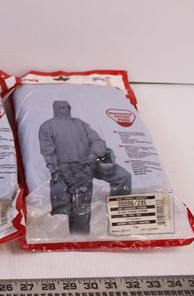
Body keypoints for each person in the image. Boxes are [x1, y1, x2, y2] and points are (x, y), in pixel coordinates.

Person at [39, 100, 132, 234]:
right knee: (80, 204)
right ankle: (79, 237)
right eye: (61, 107)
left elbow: (97, 140)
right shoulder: (47, 126)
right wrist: (57, 169)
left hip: (91, 161)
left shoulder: (80, 123)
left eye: (66, 107)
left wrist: (94, 155)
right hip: (69, 168)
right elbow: (47, 150)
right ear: (55, 109)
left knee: (123, 176)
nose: (64, 110)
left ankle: (119, 213)